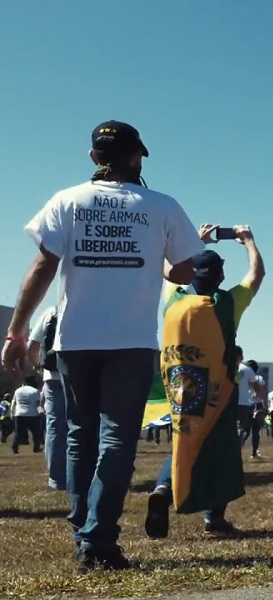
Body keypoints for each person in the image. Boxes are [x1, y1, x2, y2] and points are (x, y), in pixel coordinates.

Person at [1, 120, 205, 572]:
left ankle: (85, 533)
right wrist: (156, 261)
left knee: (80, 435)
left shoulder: (67, 200)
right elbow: (185, 271)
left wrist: (16, 332)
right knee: (117, 439)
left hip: (75, 341)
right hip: (131, 341)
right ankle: (97, 538)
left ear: (94, 158)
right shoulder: (162, 205)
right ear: (137, 158)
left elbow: (42, 266)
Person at [145, 224, 265, 538]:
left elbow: (168, 268)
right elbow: (256, 276)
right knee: (219, 449)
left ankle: (163, 488)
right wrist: (248, 241)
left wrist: (195, 241)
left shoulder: (172, 298)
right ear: (220, 276)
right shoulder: (226, 303)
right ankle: (214, 518)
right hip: (217, 391)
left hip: (179, 386)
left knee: (183, 441)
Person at [27, 306, 66, 488]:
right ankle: (85, 474)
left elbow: (31, 347)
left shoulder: (52, 311)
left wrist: (38, 366)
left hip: (53, 376)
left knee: (55, 425)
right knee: (84, 424)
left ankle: (57, 478)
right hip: (83, 375)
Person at [236, 352, 267, 458]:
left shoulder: (236, 369)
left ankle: (238, 447)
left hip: (239, 403)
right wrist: (265, 405)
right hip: (252, 404)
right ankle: (253, 452)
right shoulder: (257, 377)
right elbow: (261, 390)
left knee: (244, 429)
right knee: (254, 431)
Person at [9, 377, 44, 454]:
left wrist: (12, 413)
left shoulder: (17, 391)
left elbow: (13, 403)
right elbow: (39, 403)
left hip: (20, 414)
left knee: (18, 432)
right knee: (36, 433)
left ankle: (15, 447)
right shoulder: (35, 391)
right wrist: (42, 412)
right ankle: (36, 448)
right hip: (33, 414)